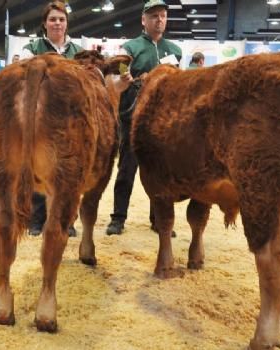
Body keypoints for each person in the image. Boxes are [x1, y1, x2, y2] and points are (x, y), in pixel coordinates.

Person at [105, 0, 182, 235]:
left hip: (162, 122)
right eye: (154, 16)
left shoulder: (175, 51)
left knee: (159, 172)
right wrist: (124, 80)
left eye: (162, 16)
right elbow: (117, 81)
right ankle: (118, 218)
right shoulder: (129, 49)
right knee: (126, 169)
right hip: (132, 119)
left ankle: (158, 219)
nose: (159, 20)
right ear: (143, 20)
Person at [21, 0, 83, 237]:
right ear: (44, 23)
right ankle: (37, 219)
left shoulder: (77, 51)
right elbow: (21, 75)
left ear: (67, 23)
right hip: (39, 118)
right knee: (38, 169)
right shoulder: (32, 47)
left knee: (68, 172)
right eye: (53, 19)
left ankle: (67, 220)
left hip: (70, 120)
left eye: (61, 19)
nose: (57, 23)